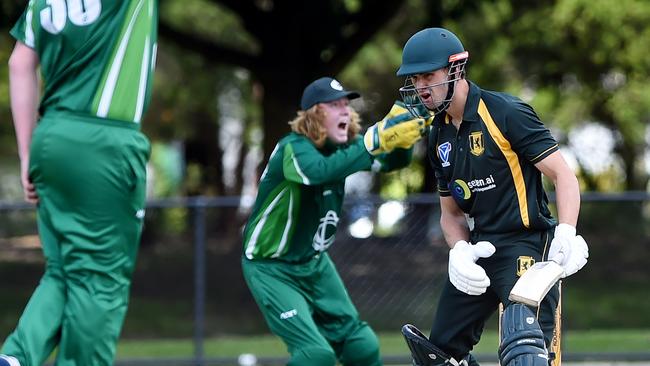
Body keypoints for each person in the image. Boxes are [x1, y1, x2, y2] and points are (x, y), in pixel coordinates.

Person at [396, 28, 589, 366]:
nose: (421, 87)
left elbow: (564, 175)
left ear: (455, 69)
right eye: (415, 79)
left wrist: (567, 232)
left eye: (429, 76)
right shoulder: (438, 132)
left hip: (527, 245)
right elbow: (451, 214)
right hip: (481, 248)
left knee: (526, 353)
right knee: (437, 356)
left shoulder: (504, 112)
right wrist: (459, 251)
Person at [1, 1, 157, 365]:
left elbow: (19, 63)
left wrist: (27, 153)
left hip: (51, 137)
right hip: (103, 141)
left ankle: (16, 357)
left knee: (64, 270)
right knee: (100, 280)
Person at [241, 76, 426, 366]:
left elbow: (394, 163)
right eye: (334, 105)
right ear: (314, 114)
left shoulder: (344, 147)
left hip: (314, 262)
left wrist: (406, 133)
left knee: (361, 346)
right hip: (271, 266)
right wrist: (375, 139)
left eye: (345, 105)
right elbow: (319, 172)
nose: (344, 111)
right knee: (316, 356)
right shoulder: (294, 147)